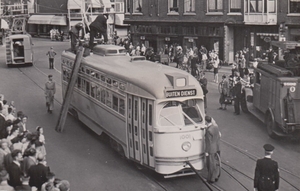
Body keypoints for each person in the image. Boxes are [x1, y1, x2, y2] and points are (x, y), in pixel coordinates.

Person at [204, 116, 221, 184]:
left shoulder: (208, 130)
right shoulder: (215, 127)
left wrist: (206, 151)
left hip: (210, 149)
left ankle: (211, 179)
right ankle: (215, 176)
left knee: (210, 164)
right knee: (215, 162)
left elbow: (208, 142)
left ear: (206, 122)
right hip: (216, 147)